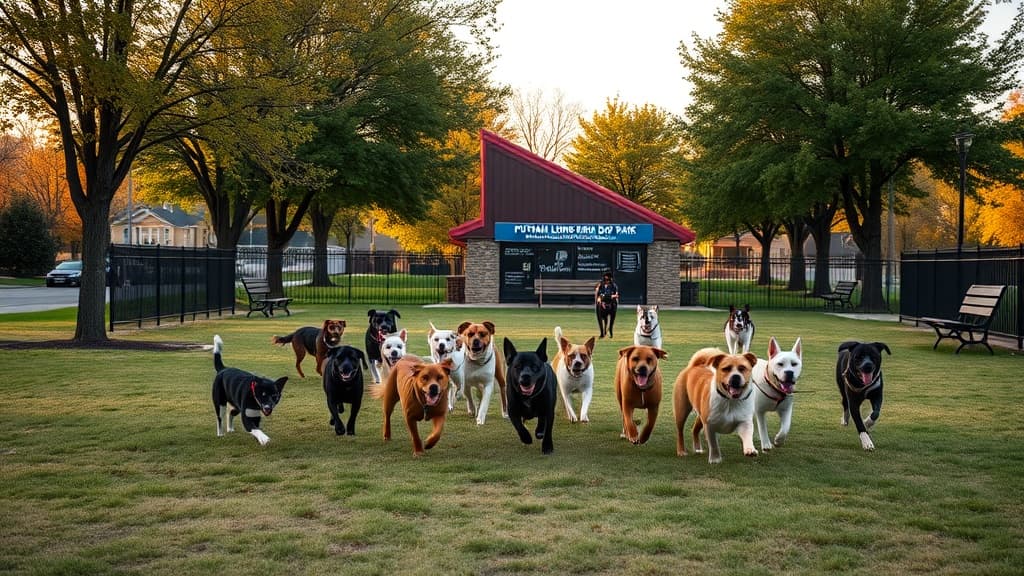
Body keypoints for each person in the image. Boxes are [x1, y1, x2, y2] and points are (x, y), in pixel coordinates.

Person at [595, 271, 619, 339]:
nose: (606, 281)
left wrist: (609, 296)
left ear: (611, 279)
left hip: (611, 303)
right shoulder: (601, 285)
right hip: (602, 303)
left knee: (614, 306)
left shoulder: (614, 286)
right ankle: (602, 332)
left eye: (608, 280)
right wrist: (600, 298)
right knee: (598, 306)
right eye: (605, 280)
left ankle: (610, 329)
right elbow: (599, 294)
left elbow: (616, 295)